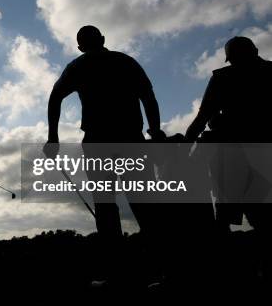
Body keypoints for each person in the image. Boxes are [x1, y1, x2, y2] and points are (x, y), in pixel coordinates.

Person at [45, 25, 165, 240]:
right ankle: (158, 260)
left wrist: (53, 138)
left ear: (80, 47)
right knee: (144, 201)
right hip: (131, 140)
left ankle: (115, 264)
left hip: (97, 142)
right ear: (102, 39)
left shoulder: (78, 66)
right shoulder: (125, 62)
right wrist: (155, 131)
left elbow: (55, 98)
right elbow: (148, 97)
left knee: (104, 204)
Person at [186, 36, 272, 242]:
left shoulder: (223, 77)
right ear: (256, 50)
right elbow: (204, 116)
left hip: (236, 155)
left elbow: (203, 117)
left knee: (232, 212)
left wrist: (183, 146)